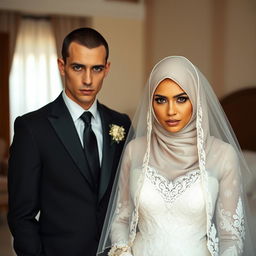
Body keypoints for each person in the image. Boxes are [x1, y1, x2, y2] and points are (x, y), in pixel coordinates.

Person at [97, 56, 256, 255]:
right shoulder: (135, 150)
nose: (171, 110)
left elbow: (230, 237)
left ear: (196, 99)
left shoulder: (222, 155)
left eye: (181, 99)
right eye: (161, 100)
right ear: (151, 103)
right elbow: (120, 220)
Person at [7, 27, 131, 256]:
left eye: (96, 69)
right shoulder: (33, 128)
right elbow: (20, 216)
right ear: (62, 66)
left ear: (107, 69)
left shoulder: (121, 124)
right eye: (78, 67)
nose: (87, 79)